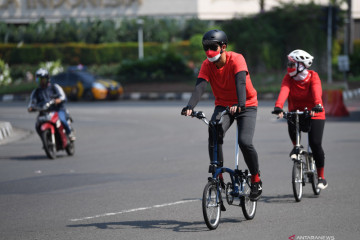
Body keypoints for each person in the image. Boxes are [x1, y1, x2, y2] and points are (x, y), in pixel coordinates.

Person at [181, 29, 262, 201]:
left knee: (245, 141)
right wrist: (190, 106)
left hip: (246, 104)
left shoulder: (237, 59)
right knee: (214, 131)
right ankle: (218, 175)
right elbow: (200, 86)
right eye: (206, 48)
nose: (209, 51)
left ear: (223, 47)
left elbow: (241, 81)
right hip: (223, 105)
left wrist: (240, 104)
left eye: (213, 47)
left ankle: (256, 179)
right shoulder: (207, 65)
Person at [272, 49, 327, 190]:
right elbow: (284, 91)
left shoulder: (313, 76)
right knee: (290, 119)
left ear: (302, 65)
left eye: (292, 64)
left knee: (315, 144)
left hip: (315, 113)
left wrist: (317, 105)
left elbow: (316, 91)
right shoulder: (288, 78)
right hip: (297, 113)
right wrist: (278, 107)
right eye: (289, 63)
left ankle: (321, 176)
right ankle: (296, 147)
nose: (289, 66)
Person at [28, 68, 75, 141]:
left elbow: (63, 96)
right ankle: (45, 140)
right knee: (37, 125)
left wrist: (58, 100)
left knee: (62, 121)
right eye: (39, 80)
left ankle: (69, 133)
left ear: (47, 79)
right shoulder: (36, 92)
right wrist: (31, 108)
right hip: (44, 112)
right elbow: (32, 103)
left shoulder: (54, 87)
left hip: (58, 110)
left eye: (42, 79)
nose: (41, 82)